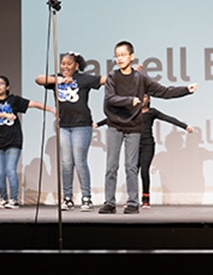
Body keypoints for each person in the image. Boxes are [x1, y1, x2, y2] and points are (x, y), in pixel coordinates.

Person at [101, 41, 195, 214]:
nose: (120, 58)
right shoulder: (112, 77)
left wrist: (185, 90)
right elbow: (110, 99)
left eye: (123, 55)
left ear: (131, 56)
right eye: (117, 55)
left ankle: (132, 203)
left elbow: (164, 91)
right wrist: (129, 100)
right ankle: (109, 202)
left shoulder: (140, 79)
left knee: (131, 166)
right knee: (111, 166)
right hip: (115, 124)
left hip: (134, 126)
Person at [35, 52, 105, 211]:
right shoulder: (56, 78)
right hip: (64, 126)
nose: (65, 67)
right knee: (66, 163)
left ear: (76, 66)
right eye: (63, 64)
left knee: (80, 161)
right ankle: (67, 198)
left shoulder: (83, 79)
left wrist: (128, 73)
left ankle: (86, 198)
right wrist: (58, 79)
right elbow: (38, 79)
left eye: (69, 64)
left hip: (82, 125)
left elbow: (103, 80)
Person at [97, 95, 193, 208]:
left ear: (149, 100)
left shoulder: (152, 112)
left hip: (147, 145)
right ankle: (132, 199)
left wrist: (185, 126)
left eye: (145, 97)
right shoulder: (131, 112)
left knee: (144, 170)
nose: (142, 99)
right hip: (133, 145)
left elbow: (168, 118)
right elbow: (114, 118)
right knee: (132, 171)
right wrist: (98, 124)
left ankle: (146, 198)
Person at [0, 75, 54, 209]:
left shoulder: (14, 100)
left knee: (10, 170)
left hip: (13, 140)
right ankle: (3, 198)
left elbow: (33, 104)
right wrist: (5, 115)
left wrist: (51, 109)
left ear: (7, 87)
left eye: (1, 83)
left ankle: (13, 200)